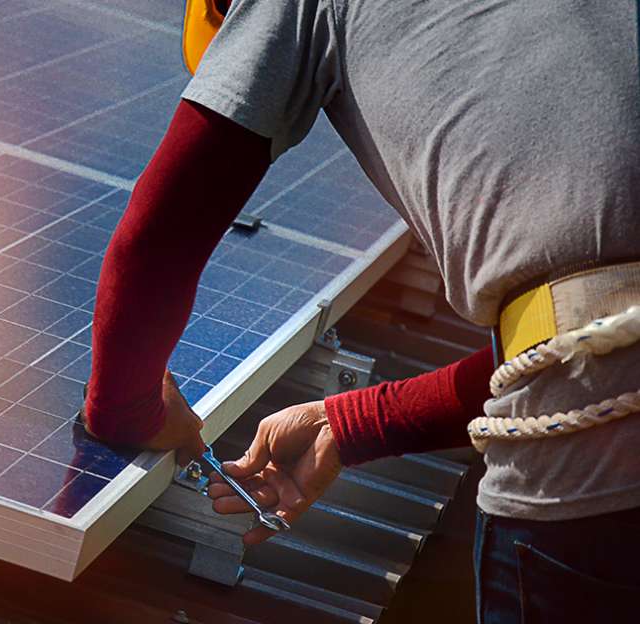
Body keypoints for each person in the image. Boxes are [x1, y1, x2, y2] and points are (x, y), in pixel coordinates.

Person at [81, 0, 640, 621]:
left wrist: (127, 409)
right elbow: (591, 341)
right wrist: (352, 422)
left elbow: (164, 228)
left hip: (597, 480)